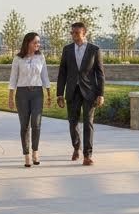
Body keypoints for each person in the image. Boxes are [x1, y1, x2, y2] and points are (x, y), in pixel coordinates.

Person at [56, 21, 105, 165]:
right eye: (72, 33)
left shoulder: (94, 50)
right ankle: (76, 147)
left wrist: (100, 94)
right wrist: (60, 93)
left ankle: (87, 155)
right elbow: (62, 73)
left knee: (88, 122)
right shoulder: (67, 49)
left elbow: (100, 74)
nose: (74, 35)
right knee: (72, 122)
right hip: (72, 91)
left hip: (89, 92)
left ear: (84, 33)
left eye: (77, 33)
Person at [8, 32, 53, 167]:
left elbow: (45, 76)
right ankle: (26, 155)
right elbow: (13, 79)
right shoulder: (18, 59)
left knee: (36, 123)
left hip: (37, 93)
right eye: (35, 42)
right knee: (24, 125)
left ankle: (35, 152)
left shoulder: (41, 57)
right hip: (22, 94)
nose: (38, 45)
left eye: (38, 42)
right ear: (28, 43)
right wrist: (10, 98)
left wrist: (49, 94)